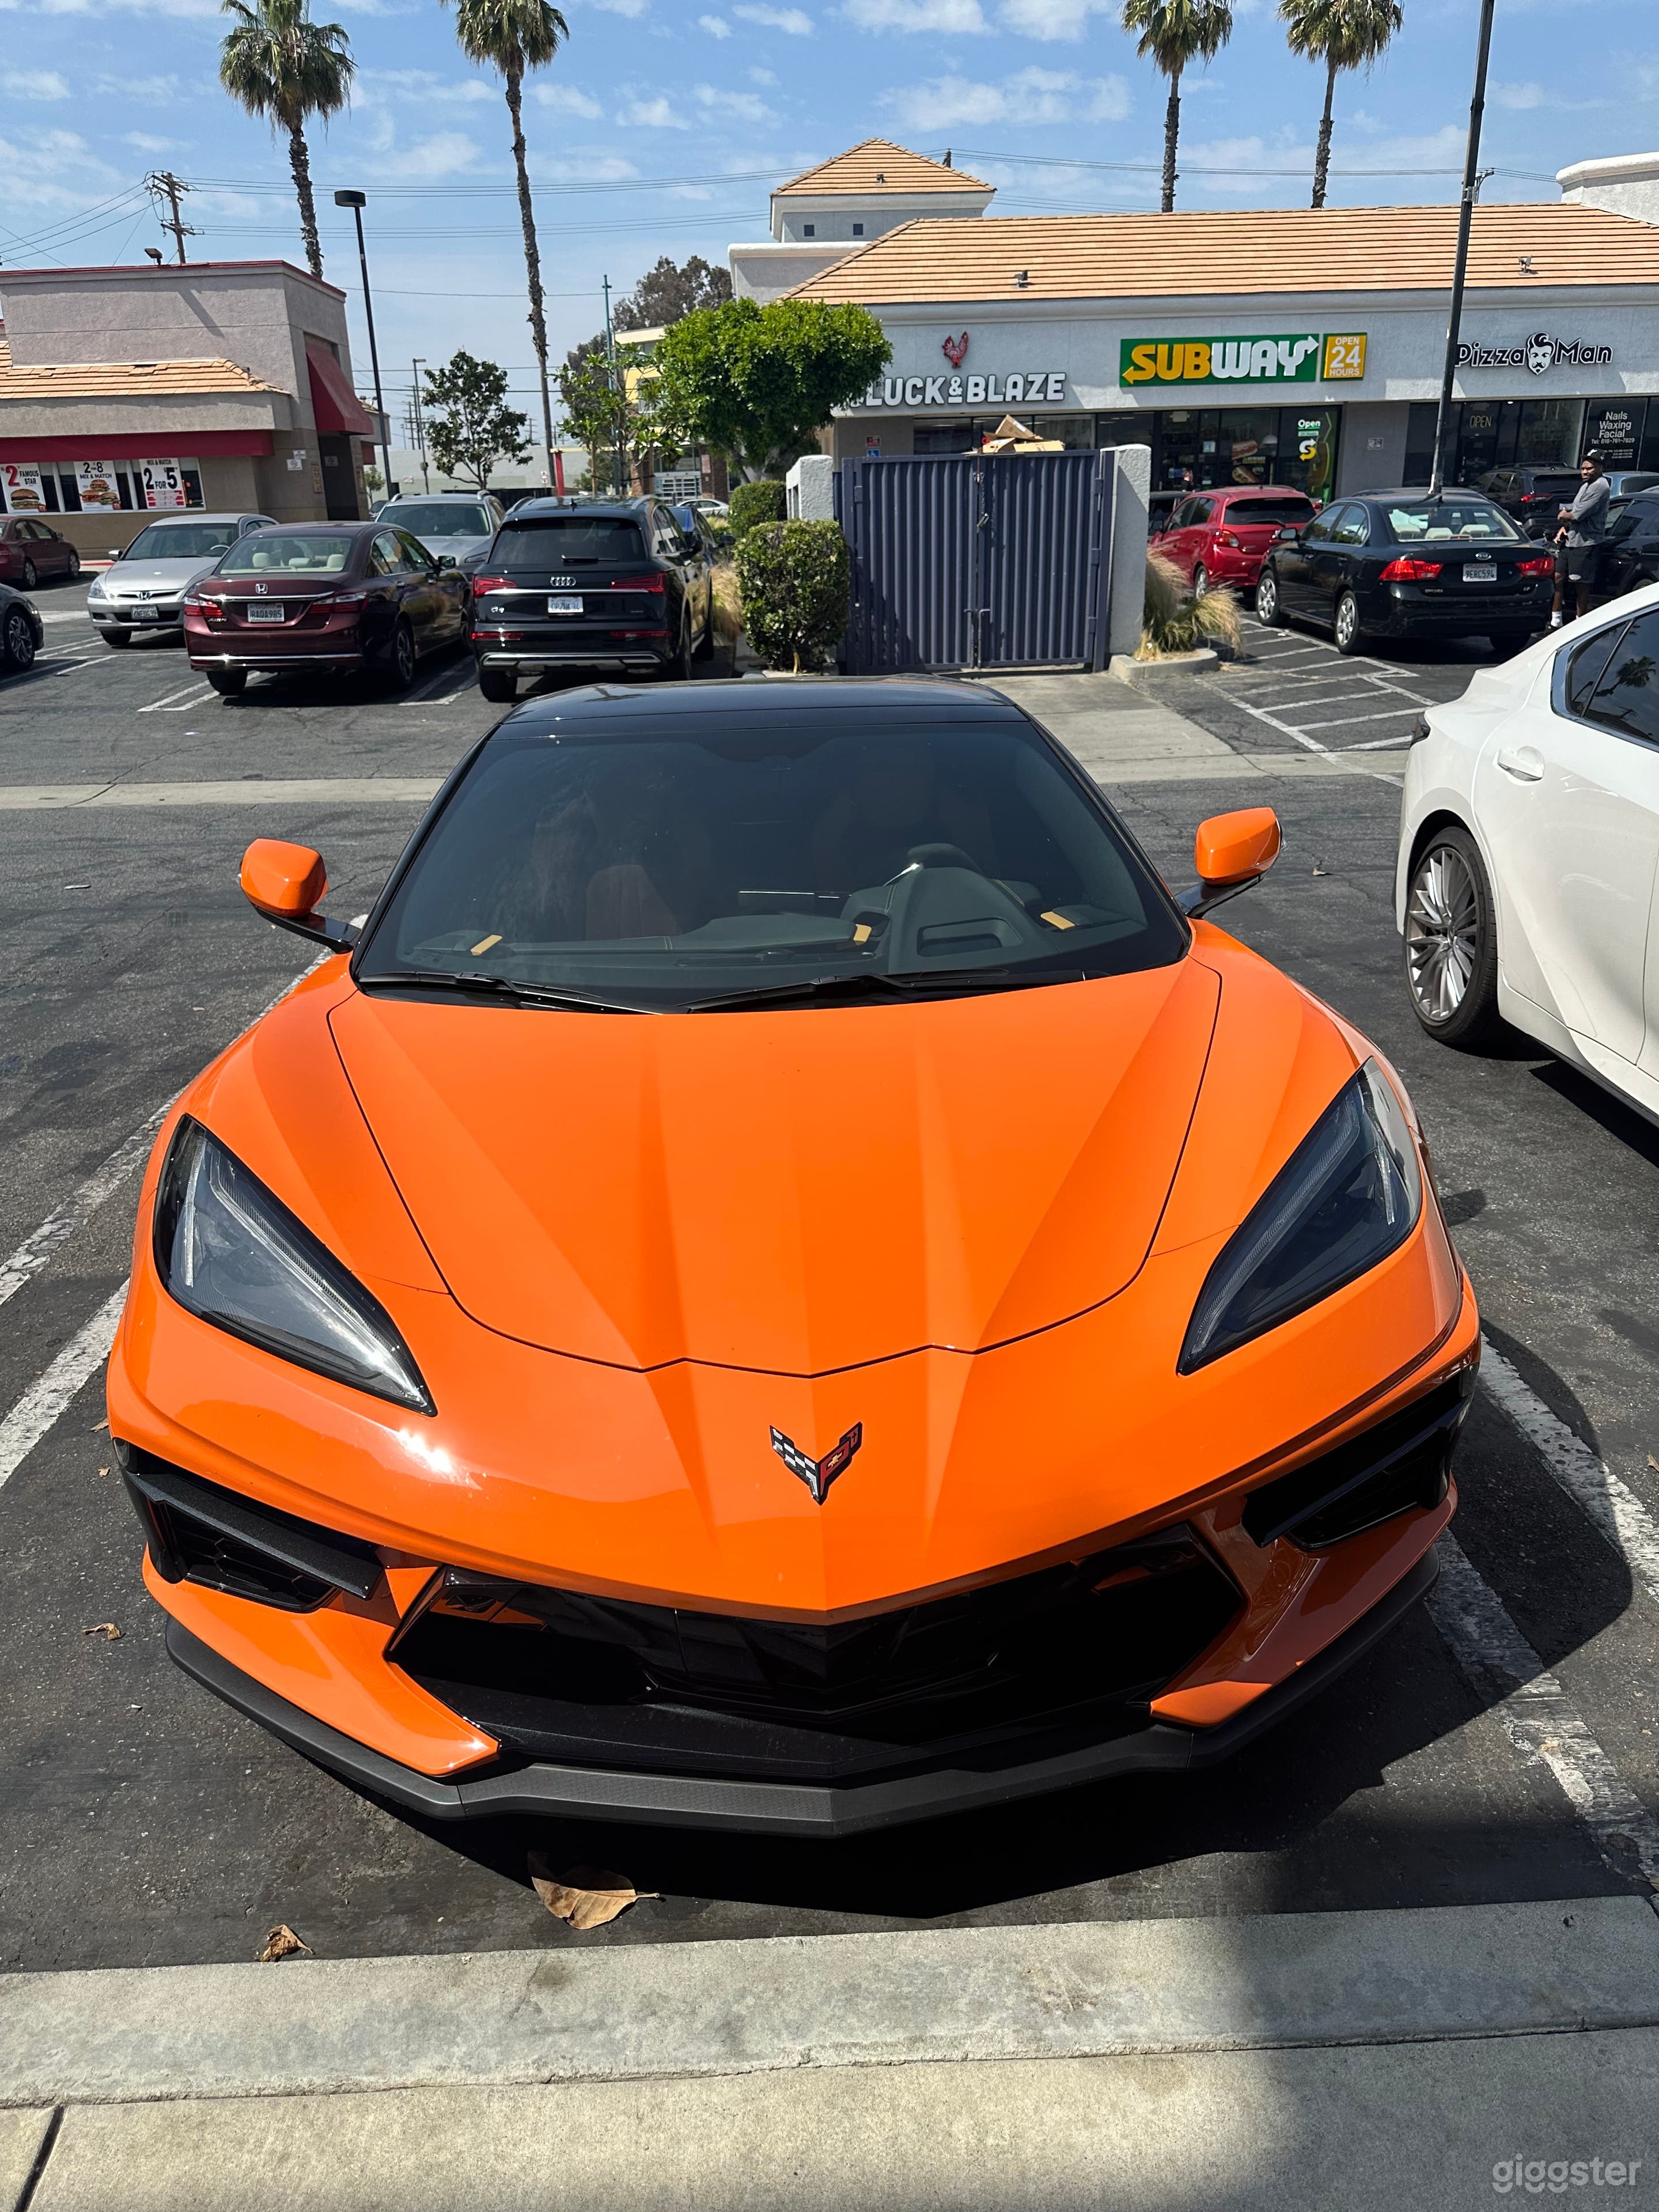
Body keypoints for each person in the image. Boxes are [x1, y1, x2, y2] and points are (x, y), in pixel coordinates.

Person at [1551, 452, 1610, 626]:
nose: (1584, 472)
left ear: (1599, 468)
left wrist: (1564, 516)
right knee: (1558, 577)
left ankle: (1579, 625)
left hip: (1586, 544)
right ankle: (1555, 622)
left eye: (1589, 468)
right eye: (1583, 468)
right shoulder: (1586, 486)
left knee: (1580, 584)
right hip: (1571, 540)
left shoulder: (1601, 486)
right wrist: (1564, 526)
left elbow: (1577, 515)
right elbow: (1573, 512)